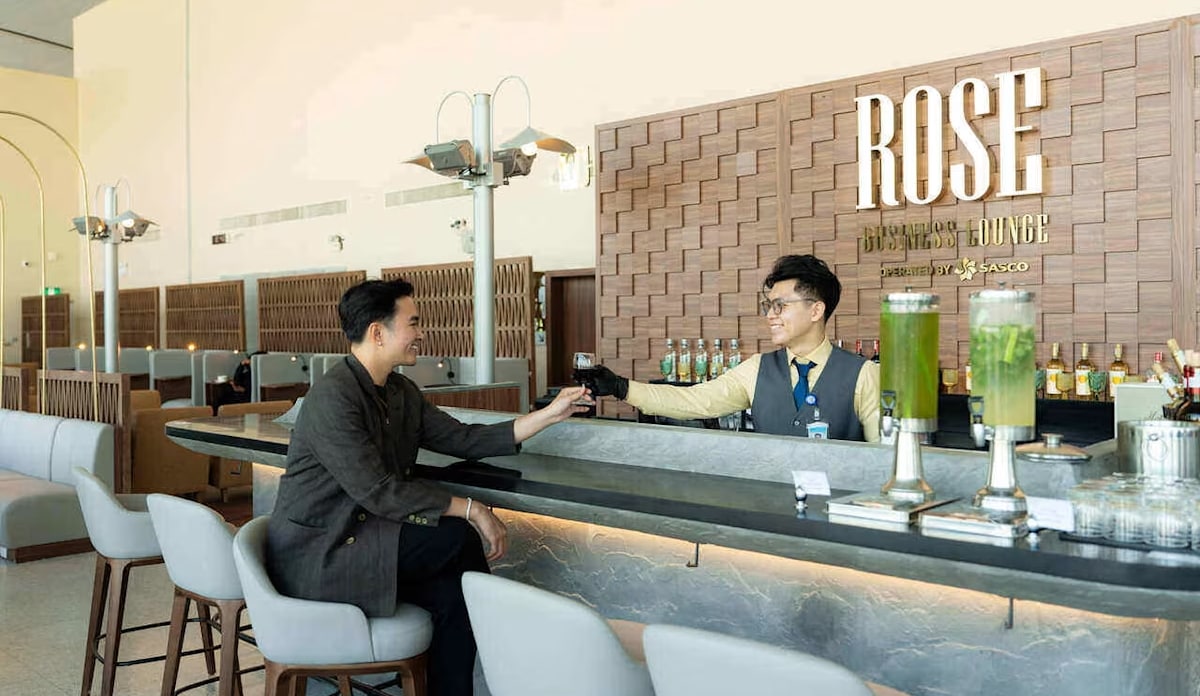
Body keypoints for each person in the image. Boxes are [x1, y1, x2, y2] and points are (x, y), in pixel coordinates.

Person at [265, 278, 590, 696]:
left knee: (455, 596)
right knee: (456, 540)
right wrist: (471, 508)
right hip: (324, 555)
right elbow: (379, 491)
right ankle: (506, 646)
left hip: (366, 538)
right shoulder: (333, 397)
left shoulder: (400, 391)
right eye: (413, 322)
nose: (421, 333)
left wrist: (548, 414)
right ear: (378, 332)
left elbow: (463, 439)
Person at [590, 254, 881, 442]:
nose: (770, 315)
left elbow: (883, 458)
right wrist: (621, 387)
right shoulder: (758, 369)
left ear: (816, 310)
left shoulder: (864, 375)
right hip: (770, 512)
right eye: (768, 306)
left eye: (780, 306)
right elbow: (695, 401)